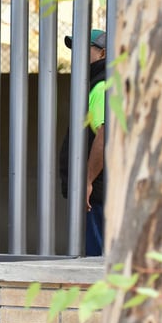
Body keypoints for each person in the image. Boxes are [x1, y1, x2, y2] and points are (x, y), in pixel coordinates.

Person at [59, 28, 107, 256]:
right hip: (98, 191)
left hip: (96, 193)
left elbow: (105, 133)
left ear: (103, 53)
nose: (75, 55)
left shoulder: (100, 85)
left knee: (97, 264)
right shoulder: (96, 82)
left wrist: (87, 181)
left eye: (83, 48)